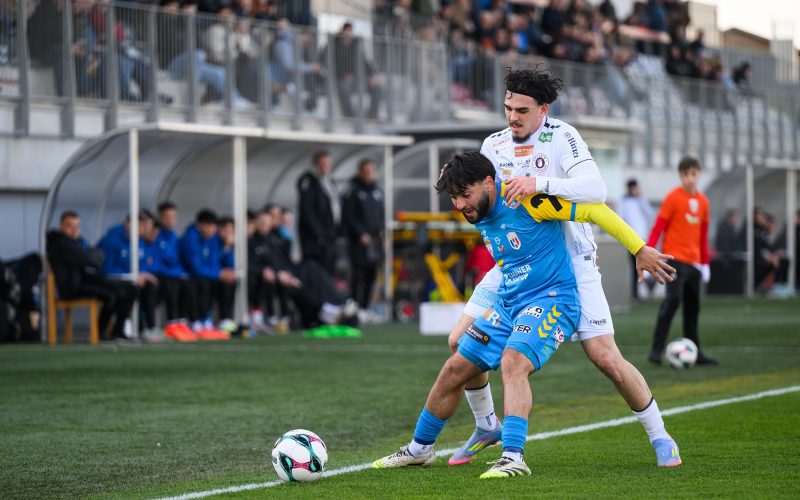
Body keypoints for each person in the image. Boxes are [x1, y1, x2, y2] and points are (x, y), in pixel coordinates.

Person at [373, 152, 679, 478]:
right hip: (510, 300)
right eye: (453, 197)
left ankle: (513, 456)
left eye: (464, 194)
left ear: (488, 183)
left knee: (515, 361)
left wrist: (639, 248)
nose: (459, 205)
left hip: (553, 300)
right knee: (455, 366)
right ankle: (420, 449)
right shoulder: (479, 210)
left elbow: (593, 209)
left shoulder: (528, 199)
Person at [445, 67, 679, 469]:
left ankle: (661, 435)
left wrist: (540, 183)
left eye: (522, 110)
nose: (512, 117)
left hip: (572, 263)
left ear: (543, 110)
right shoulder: (493, 145)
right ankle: (486, 425)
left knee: (605, 357)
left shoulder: (562, 137)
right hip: (515, 263)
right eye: (507, 108)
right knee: (459, 341)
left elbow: (596, 191)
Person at [647, 156, 717, 365]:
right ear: (681, 175)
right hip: (674, 259)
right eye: (686, 174)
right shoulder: (673, 198)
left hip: (695, 263)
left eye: (693, 174)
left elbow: (703, 235)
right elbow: (658, 227)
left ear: (698, 174)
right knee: (673, 301)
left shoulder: (704, 202)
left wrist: (705, 263)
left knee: (693, 307)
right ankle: (656, 351)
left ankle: (695, 351)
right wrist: (648, 250)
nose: (690, 178)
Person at [46, 211, 137, 341]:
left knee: (131, 288)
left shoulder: (79, 241)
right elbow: (89, 258)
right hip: (72, 287)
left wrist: (91, 257)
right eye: (69, 226)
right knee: (113, 294)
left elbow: (98, 255)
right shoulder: (59, 243)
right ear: (61, 226)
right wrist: (91, 256)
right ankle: (100, 331)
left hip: (89, 280)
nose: (74, 230)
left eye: (77, 226)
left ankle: (118, 331)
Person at [96, 211, 161, 338]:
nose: (143, 230)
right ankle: (104, 328)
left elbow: (141, 263)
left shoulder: (139, 241)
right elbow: (107, 269)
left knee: (150, 286)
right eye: (140, 226)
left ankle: (148, 328)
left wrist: (142, 274)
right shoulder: (112, 240)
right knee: (128, 290)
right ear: (127, 224)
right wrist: (133, 276)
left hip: (125, 278)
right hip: (104, 278)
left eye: (145, 226)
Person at [179, 209, 234, 340]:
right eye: (209, 226)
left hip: (204, 275)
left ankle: (216, 319)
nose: (211, 230)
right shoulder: (190, 238)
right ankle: (196, 321)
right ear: (199, 225)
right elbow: (195, 267)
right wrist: (219, 274)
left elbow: (215, 262)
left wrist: (227, 248)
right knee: (202, 283)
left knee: (227, 280)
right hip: (187, 275)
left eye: (213, 227)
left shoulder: (212, 239)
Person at [342, 159, 384, 311]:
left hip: (374, 242)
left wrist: (382, 234)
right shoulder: (353, 191)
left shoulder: (377, 191)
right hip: (358, 243)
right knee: (358, 275)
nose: (368, 174)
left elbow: (381, 215)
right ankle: (354, 306)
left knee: (371, 275)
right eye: (366, 171)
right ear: (360, 172)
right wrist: (360, 234)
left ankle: (365, 308)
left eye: (371, 171)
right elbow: (349, 216)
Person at [297, 151, 340, 275]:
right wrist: (319, 235)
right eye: (322, 163)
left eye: (327, 163)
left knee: (329, 269)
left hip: (331, 235)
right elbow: (307, 211)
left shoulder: (330, 182)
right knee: (317, 271)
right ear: (315, 165)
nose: (325, 166)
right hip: (317, 239)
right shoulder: (308, 182)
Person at [621, 178, 655, 300]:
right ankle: (636, 292)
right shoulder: (624, 202)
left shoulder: (641, 200)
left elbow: (650, 213)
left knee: (644, 262)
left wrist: (641, 199)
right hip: (630, 239)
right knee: (635, 265)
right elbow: (621, 218)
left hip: (643, 237)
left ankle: (645, 285)